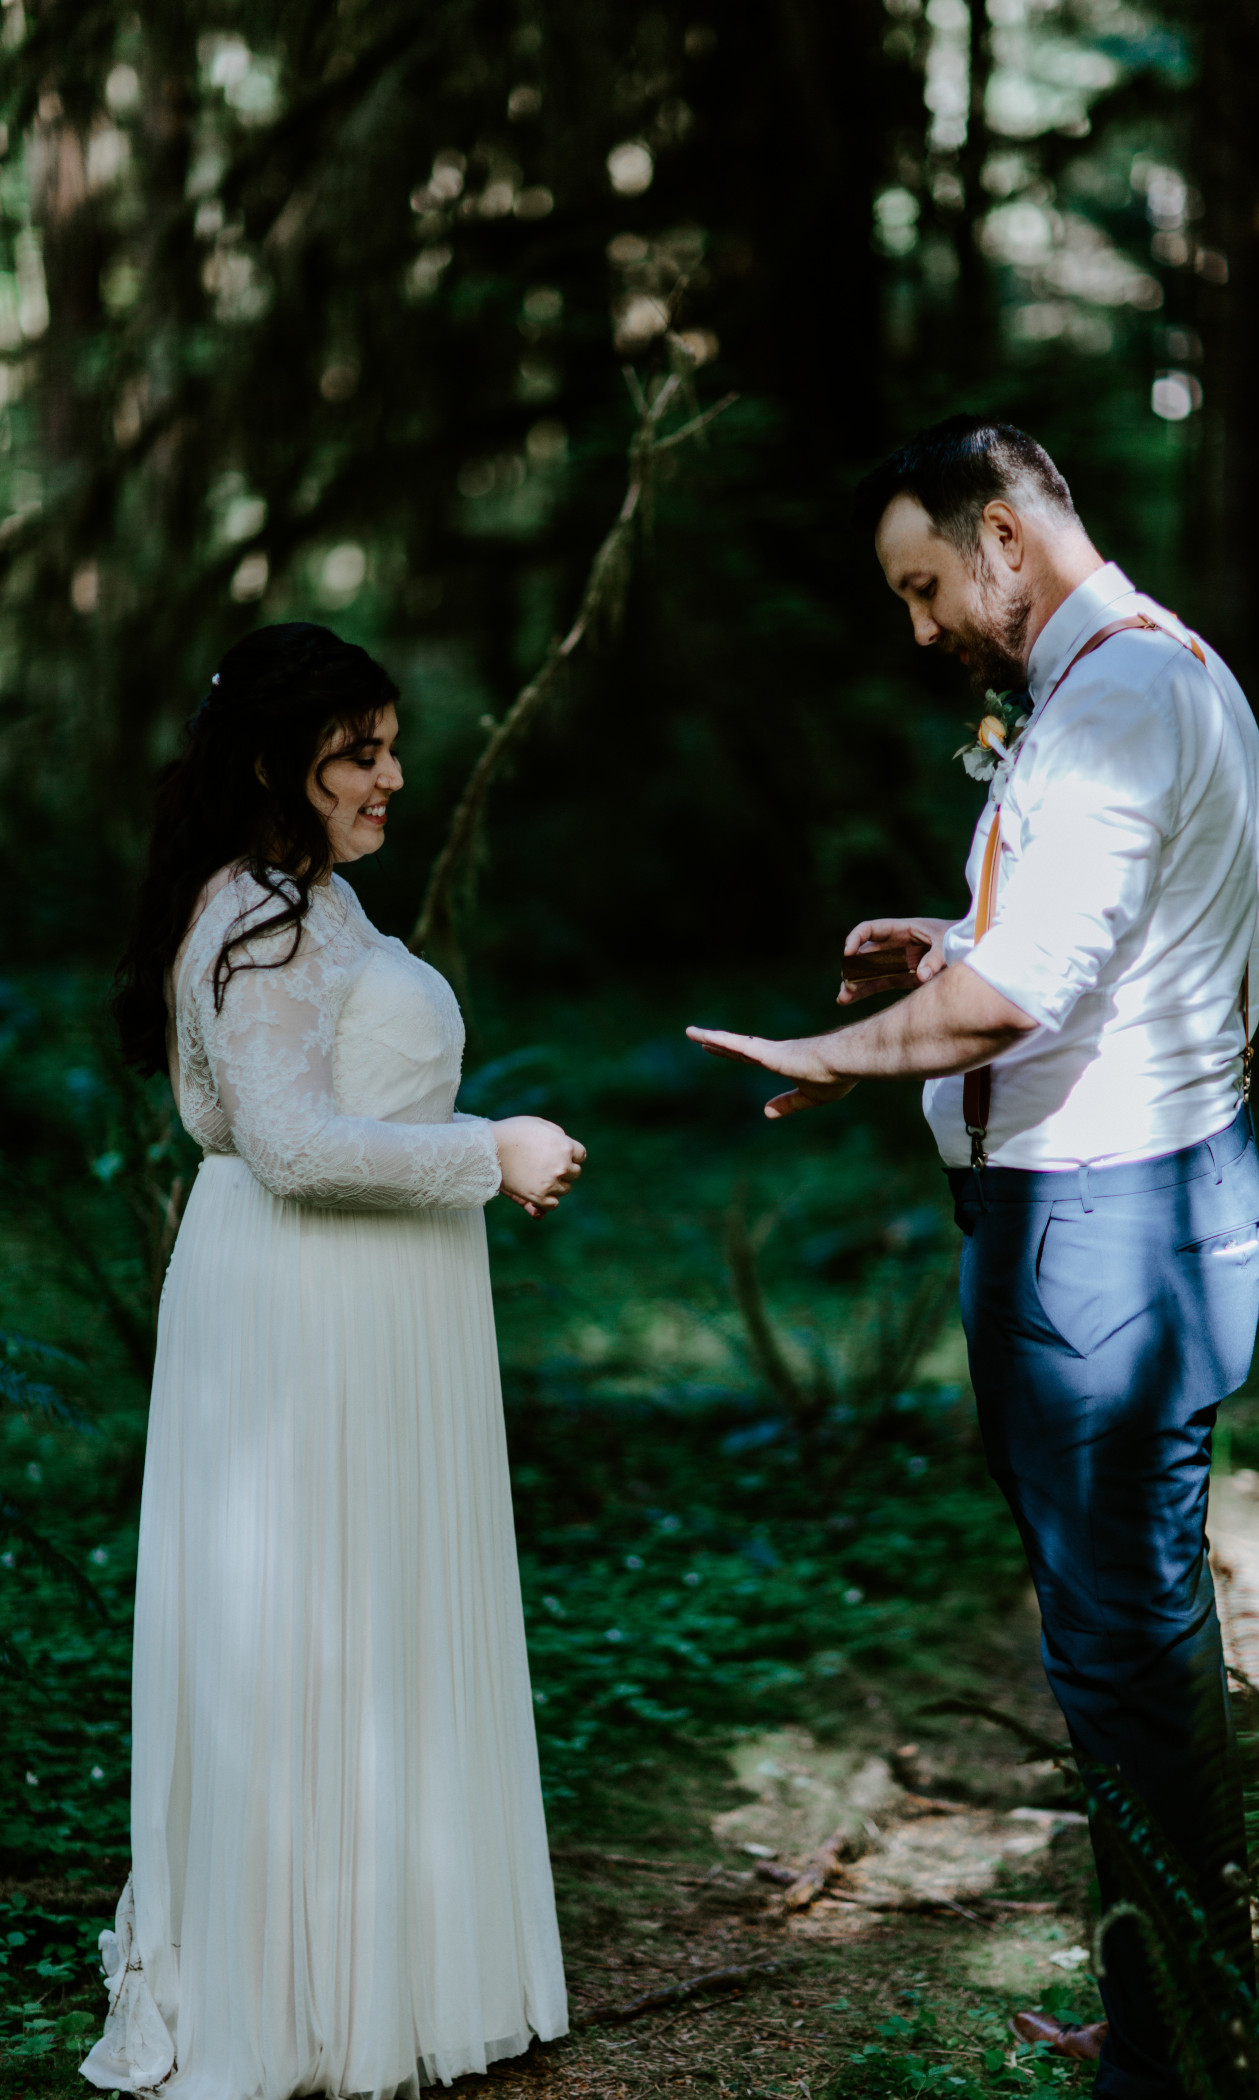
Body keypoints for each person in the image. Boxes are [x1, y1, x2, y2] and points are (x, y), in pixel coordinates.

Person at [687, 415, 1259, 2100]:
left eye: (929, 582)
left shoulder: (1120, 700)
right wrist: (954, 940)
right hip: (1140, 1208)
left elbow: (1027, 1001)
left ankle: (1178, 2051)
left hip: (1102, 1234)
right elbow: (1105, 945)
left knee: (1120, 1652)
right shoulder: (1163, 673)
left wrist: (827, 1052)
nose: (924, 623)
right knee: (1130, 1638)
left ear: (1008, 537)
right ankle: (1177, 2014)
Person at [87, 623, 584, 2100]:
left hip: (368, 1303)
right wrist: (486, 1152)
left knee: (370, 1619)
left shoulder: (315, 904)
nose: (393, 774)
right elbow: (286, 1142)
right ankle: (294, 2000)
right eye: (357, 752)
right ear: (274, 766)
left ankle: (383, 1975)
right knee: (303, 1631)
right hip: (298, 1309)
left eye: (388, 745)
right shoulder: (251, 915)